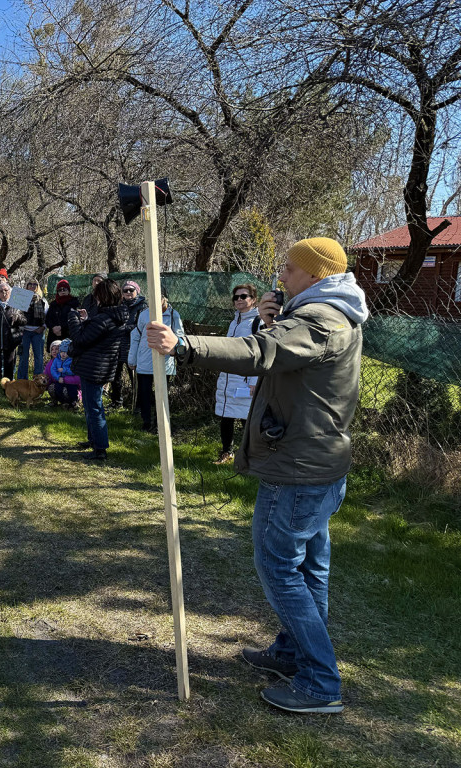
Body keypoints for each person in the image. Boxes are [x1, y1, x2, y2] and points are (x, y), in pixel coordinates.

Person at [146, 237, 368, 714]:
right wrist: (274, 318)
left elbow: (259, 351)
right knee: (309, 569)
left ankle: (320, 683)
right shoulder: (326, 313)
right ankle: (292, 655)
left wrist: (183, 346)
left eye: (289, 269)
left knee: (280, 571)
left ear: (315, 274)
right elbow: (287, 356)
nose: (281, 277)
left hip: (298, 471)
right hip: (316, 465)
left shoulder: (322, 319)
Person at [67, 279, 126, 461]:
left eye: (97, 295)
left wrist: (74, 320)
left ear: (104, 297)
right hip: (98, 366)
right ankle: (93, 440)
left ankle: (100, 449)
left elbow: (81, 339)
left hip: (94, 367)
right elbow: (95, 335)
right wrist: (86, 320)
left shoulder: (104, 319)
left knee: (94, 408)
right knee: (91, 406)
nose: (95, 299)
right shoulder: (113, 317)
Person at [214, 284, 261, 464]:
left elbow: (259, 353)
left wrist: (254, 381)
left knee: (246, 418)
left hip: (245, 378)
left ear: (253, 299)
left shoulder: (257, 322)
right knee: (226, 415)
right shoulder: (235, 321)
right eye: (236, 297)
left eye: (244, 296)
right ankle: (227, 452)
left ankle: (251, 455)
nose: (240, 300)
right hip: (229, 377)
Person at [128, 289, 184, 432]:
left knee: (162, 395)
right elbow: (136, 336)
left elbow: (180, 337)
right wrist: (132, 359)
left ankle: (160, 424)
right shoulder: (144, 314)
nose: (153, 301)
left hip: (165, 364)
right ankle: (146, 422)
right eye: (151, 298)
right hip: (144, 362)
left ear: (164, 298)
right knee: (144, 394)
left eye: (157, 297)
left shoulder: (173, 315)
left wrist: (176, 353)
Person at [0, 281, 27, 395]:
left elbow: (24, 322)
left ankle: (8, 391)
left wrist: (18, 318)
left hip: (10, 341)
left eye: (6, 290)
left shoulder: (16, 305)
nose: (4, 293)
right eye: (1, 291)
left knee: (9, 366)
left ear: (10, 292)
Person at [111, 280, 147, 409]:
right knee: (115, 375)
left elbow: (140, 326)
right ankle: (116, 402)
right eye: (125, 290)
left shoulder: (142, 306)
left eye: (131, 290)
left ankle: (138, 404)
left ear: (137, 291)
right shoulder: (118, 305)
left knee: (135, 378)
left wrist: (123, 328)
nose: (127, 292)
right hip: (117, 345)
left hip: (134, 346)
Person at [15, 279, 47, 379]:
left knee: (39, 357)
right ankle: (22, 380)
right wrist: (20, 327)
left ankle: (38, 380)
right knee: (23, 356)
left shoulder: (42, 300)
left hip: (38, 332)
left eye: (35, 284)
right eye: (30, 284)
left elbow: (47, 316)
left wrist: (42, 327)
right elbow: (16, 314)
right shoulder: (21, 298)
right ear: (27, 286)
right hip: (24, 332)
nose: (32, 286)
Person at [45, 279, 80, 350]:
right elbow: (48, 319)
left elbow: (76, 319)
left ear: (68, 290)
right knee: (54, 358)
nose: (62, 291)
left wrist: (62, 328)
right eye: (60, 290)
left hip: (69, 335)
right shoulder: (53, 304)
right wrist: (53, 328)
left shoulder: (74, 303)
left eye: (64, 289)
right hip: (54, 336)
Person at [48, 339, 81, 406]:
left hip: (70, 382)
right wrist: (58, 377)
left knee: (72, 390)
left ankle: (74, 402)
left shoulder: (72, 360)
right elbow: (53, 370)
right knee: (57, 389)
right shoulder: (57, 360)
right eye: (61, 352)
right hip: (59, 380)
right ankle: (62, 402)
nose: (63, 354)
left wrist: (64, 370)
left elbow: (74, 371)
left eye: (65, 352)